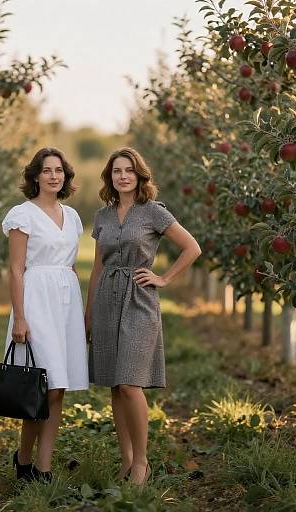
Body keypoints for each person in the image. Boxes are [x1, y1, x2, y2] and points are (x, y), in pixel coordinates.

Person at [85, 147, 201, 485]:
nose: (122, 176)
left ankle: (142, 463)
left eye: (128, 171)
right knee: (114, 385)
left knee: (130, 382)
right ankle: (126, 460)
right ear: (109, 177)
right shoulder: (102, 217)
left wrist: (163, 278)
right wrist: (88, 315)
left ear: (139, 176)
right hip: (107, 298)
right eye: (116, 171)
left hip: (139, 299)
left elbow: (192, 247)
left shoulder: (154, 212)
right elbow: (96, 268)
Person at [1, 147, 89, 482]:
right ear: (36, 176)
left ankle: (44, 467)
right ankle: (23, 460)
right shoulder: (23, 215)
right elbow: (16, 269)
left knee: (58, 387)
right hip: (36, 301)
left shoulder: (73, 217)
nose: (54, 175)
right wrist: (20, 317)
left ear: (65, 176)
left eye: (59, 170)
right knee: (40, 385)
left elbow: (69, 263)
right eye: (47, 170)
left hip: (64, 301)